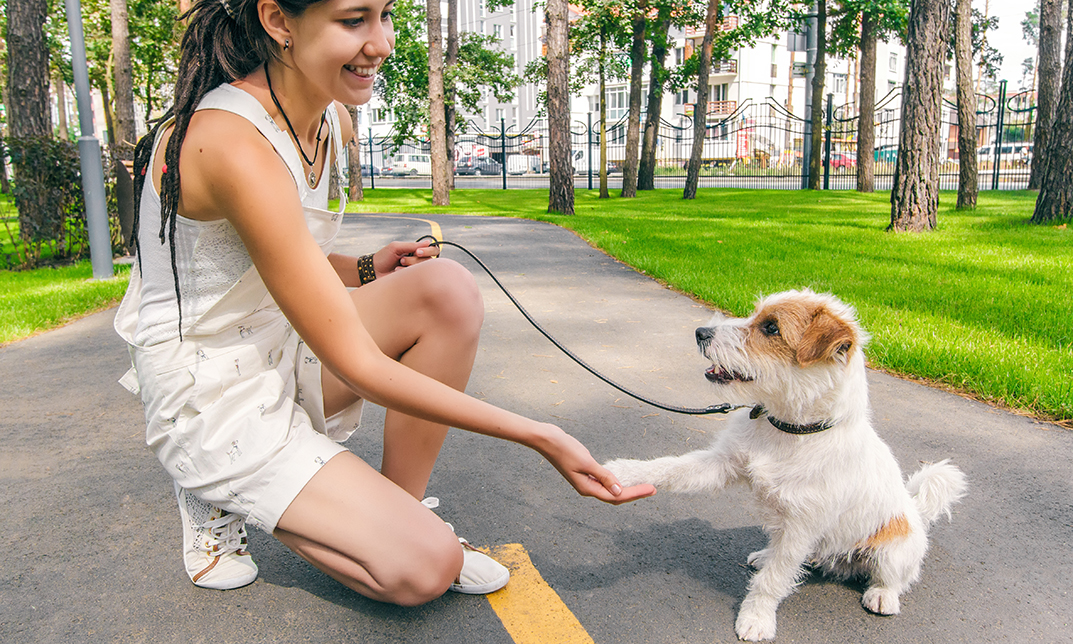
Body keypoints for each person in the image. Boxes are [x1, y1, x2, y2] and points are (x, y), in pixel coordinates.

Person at [114, 0, 655, 605]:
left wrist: (368, 268)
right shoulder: (229, 142)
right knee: (423, 570)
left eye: (387, 15)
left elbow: (265, 261)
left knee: (444, 289)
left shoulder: (328, 118)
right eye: (354, 21)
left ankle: (404, 510)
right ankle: (211, 486)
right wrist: (542, 435)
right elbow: (358, 366)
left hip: (281, 341)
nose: (383, 43)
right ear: (279, 22)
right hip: (211, 391)